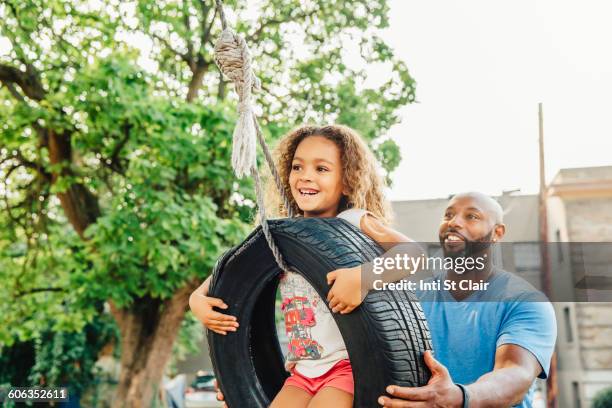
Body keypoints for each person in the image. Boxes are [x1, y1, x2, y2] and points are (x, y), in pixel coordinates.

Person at [189, 125, 422, 408]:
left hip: (347, 368)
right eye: (297, 167)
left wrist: (364, 277)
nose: (306, 176)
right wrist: (196, 301)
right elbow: (223, 278)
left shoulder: (354, 220)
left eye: (321, 169)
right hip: (302, 372)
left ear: (347, 181)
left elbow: (413, 254)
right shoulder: (279, 237)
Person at [378, 192, 557, 407]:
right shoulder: (414, 298)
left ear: (497, 233)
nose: (453, 222)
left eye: (472, 216)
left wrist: (459, 397)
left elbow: (516, 372)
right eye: (448, 215)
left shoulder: (525, 301)